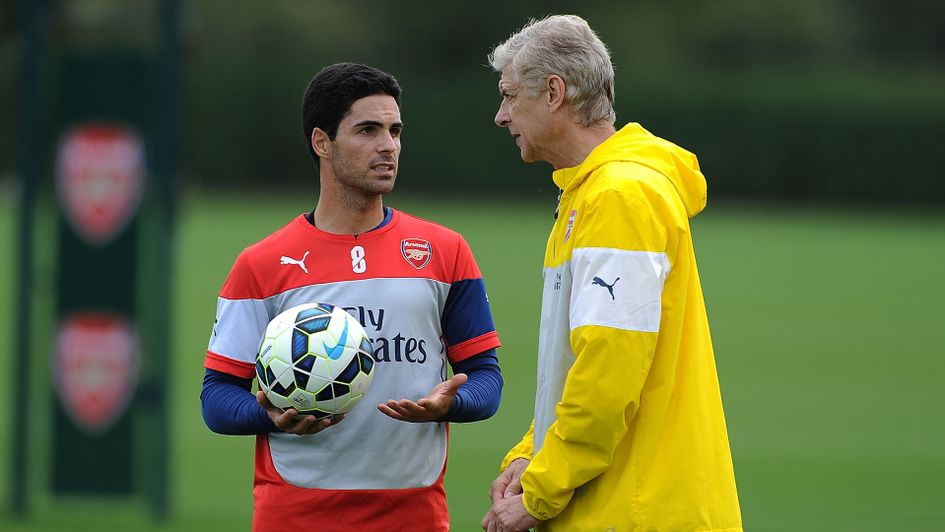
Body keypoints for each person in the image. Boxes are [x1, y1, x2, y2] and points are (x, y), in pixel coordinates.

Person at [200, 63, 504, 532]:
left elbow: (486, 379)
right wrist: (271, 416)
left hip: (414, 517)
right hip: (295, 515)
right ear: (322, 142)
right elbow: (217, 397)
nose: (389, 146)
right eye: (368, 130)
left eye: (395, 130)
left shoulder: (446, 252)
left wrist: (452, 405)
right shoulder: (261, 264)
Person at [481, 15, 742, 532]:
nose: (500, 115)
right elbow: (578, 366)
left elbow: (609, 367)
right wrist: (530, 454)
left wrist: (541, 491)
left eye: (510, 96)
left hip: (640, 511)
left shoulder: (618, 195)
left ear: (554, 92)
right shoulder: (590, 192)